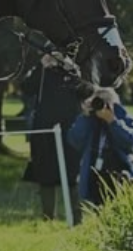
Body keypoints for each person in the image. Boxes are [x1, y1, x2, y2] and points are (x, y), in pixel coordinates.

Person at [19, 53, 85, 223]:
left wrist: (75, 71)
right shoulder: (42, 73)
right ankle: (48, 218)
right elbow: (26, 88)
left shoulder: (74, 73)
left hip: (70, 132)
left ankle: (76, 218)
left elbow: (87, 92)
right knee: (45, 174)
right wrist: (41, 66)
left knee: (72, 176)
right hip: (44, 130)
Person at [66, 86, 133, 209]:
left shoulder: (125, 117)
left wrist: (113, 121)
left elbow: (130, 140)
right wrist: (85, 116)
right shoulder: (90, 120)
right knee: (98, 209)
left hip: (120, 171)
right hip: (95, 171)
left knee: (120, 208)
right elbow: (74, 139)